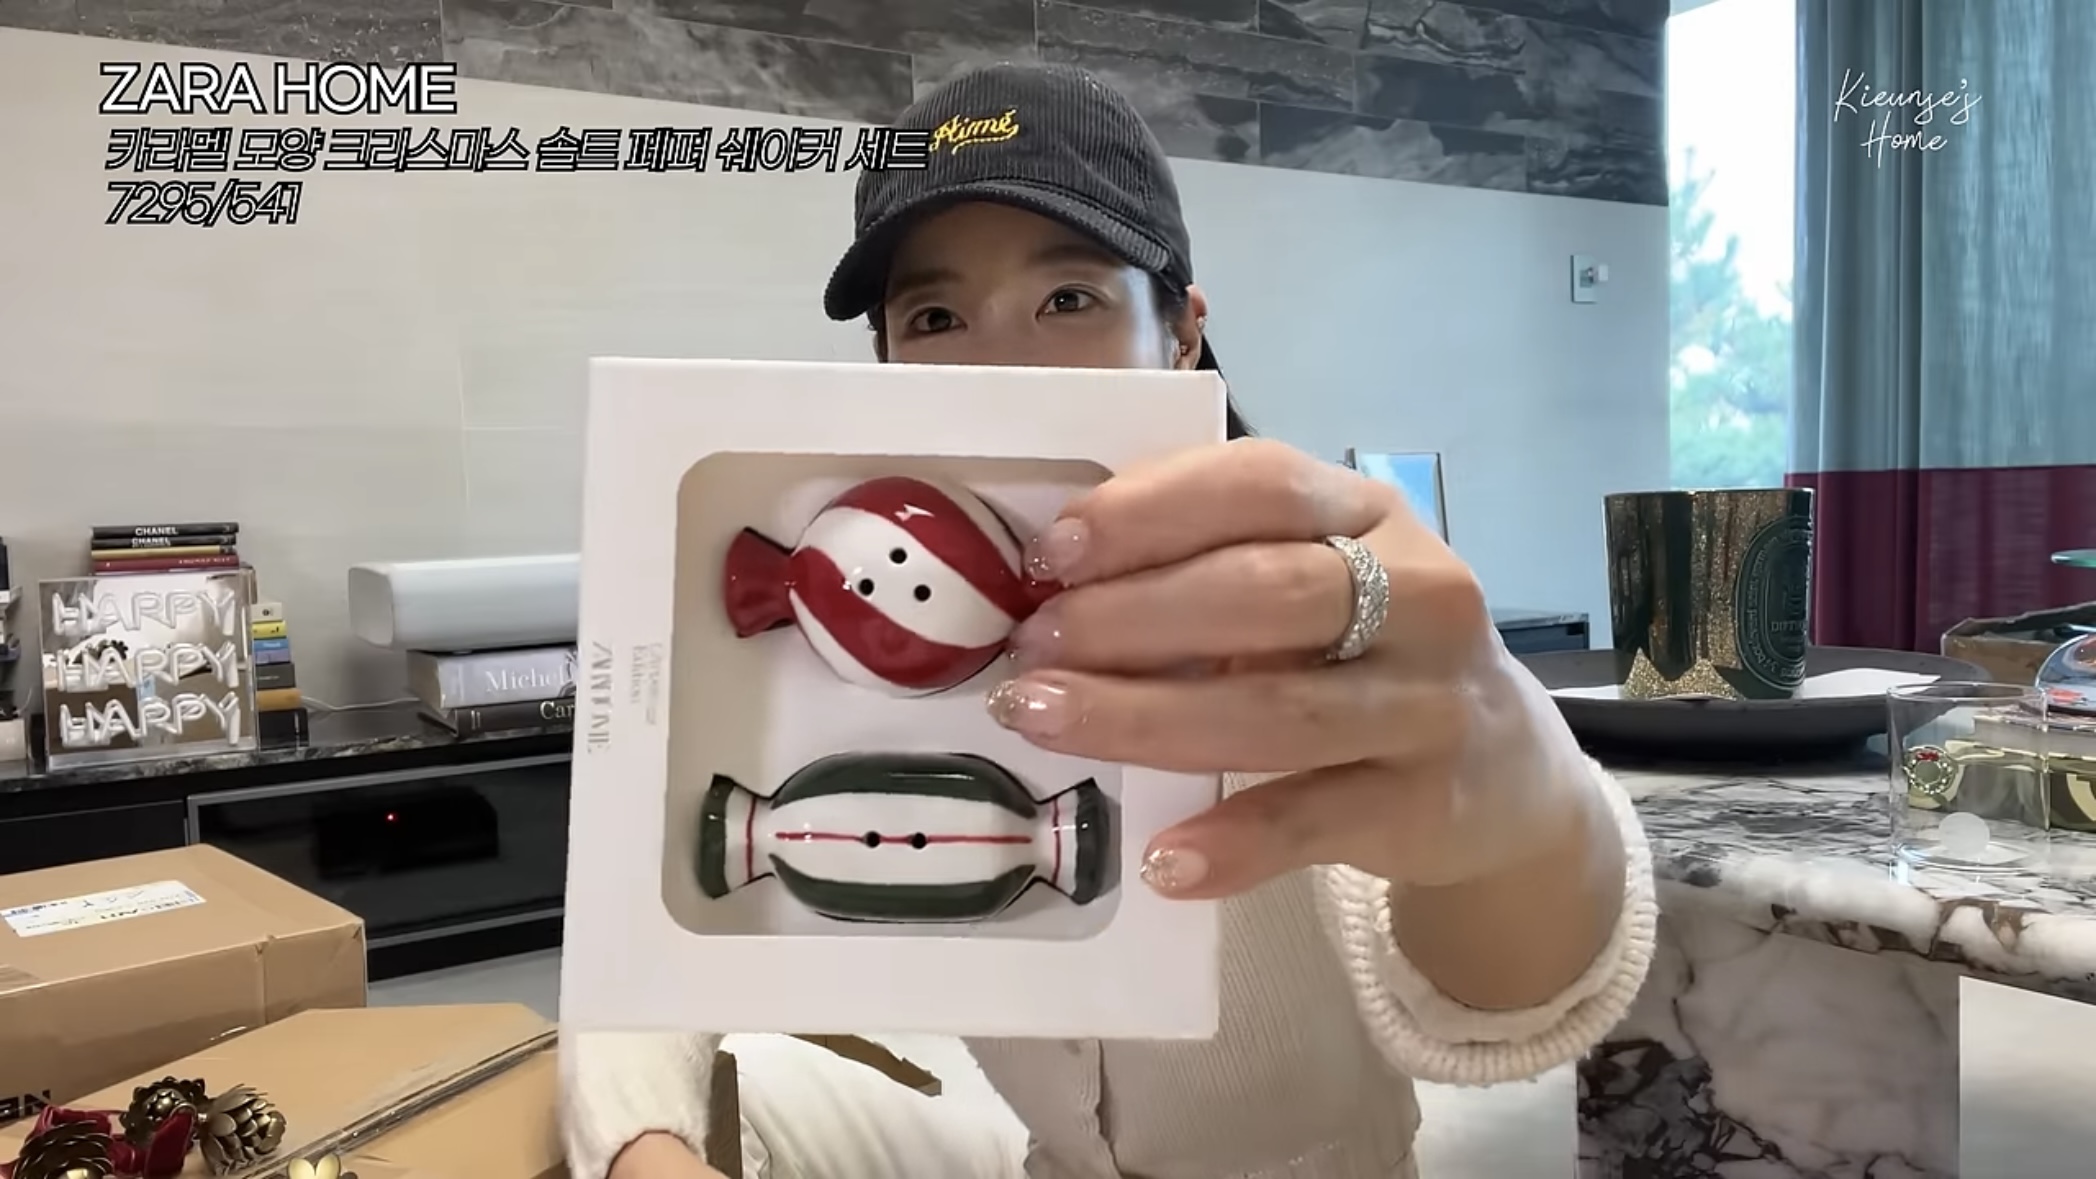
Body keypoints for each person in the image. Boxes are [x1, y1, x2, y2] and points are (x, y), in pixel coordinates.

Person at [561, 62, 1657, 1179]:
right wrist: (644, 1151)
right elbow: (631, 943)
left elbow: (1496, 990)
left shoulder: (1302, 612)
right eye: (936, 317)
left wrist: (1534, 819)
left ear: (1180, 332)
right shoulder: (869, 629)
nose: (999, 366)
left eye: (1067, 299)